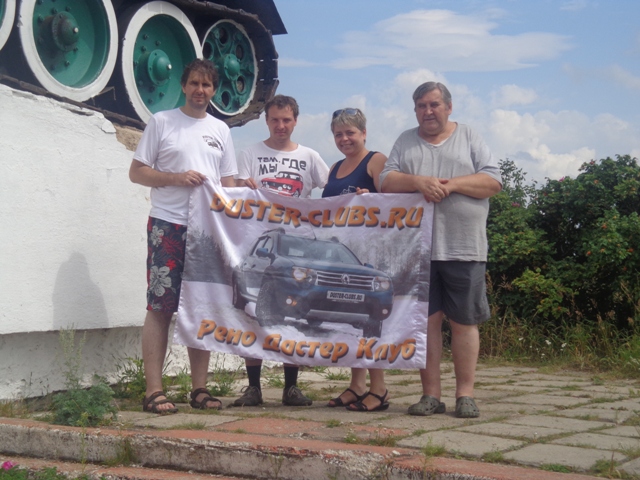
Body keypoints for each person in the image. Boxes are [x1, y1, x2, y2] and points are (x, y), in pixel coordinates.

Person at [380, 82, 502, 418]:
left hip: (464, 247)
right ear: (415, 110)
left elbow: (493, 182)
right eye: (421, 105)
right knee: (426, 323)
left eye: (434, 104)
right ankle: (430, 395)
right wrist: (419, 182)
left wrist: (451, 185)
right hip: (417, 250)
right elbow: (386, 181)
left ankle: (466, 395)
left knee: (464, 322)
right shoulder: (405, 140)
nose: (428, 111)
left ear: (449, 107)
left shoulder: (469, 136)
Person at [129, 59, 237, 414]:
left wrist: (247, 196)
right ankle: (153, 390)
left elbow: (228, 184)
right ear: (183, 85)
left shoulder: (221, 130)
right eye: (194, 83)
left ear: (214, 90)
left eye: (206, 85)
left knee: (201, 306)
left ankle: (199, 389)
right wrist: (176, 178)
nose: (200, 90)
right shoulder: (162, 122)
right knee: (160, 307)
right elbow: (137, 173)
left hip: (207, 230)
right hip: (168, 225)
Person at [232, 94, 329, 407]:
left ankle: (291, 387)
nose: (280, 125)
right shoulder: (249, 153)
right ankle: (253, 387)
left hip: (298, 249)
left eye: (286, 120)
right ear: (266, 120)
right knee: (252, 313)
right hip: (259, 245)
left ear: (296, 121)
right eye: (275, 119)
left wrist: (361, 198)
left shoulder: (310, 156)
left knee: (295, 312)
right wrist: (241, 185)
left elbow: (333, 192)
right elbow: (234, 194)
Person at [321, 108, 390, 412]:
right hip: (344, 255)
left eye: (350, 133)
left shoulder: (376, 160)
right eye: (338, 134)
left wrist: (371, 198)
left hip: (370, 256)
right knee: (352, 319)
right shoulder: (335, 167)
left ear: (364, 133)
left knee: (369, 318)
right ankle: (357, 385)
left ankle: (380, 389)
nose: (344, 139)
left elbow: (395, 202)